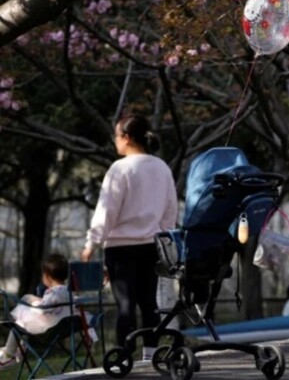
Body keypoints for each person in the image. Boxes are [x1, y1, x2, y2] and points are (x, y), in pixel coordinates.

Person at [80, 114, 178, 361]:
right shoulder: (162, 168)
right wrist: (165, 237)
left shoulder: (120, 169)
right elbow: (170, 209)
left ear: (126, 137)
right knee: (149, 304)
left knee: (126, 305)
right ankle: (150, 355)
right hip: (152, 246)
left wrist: (92, 242)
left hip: (121, 248)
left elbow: (107, 210)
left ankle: (124, 354)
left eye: (116, 136)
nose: (115, 141)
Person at [1, 254, 70, 369]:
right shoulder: (68, 292)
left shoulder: (52, 293)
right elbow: (52, 306)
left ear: (47, 276)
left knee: (17, 322)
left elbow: (43, 311)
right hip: (63, 328)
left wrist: (33, 303)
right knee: (27, 301)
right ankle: (19, 347)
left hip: (47, 330)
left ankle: (9, 354)